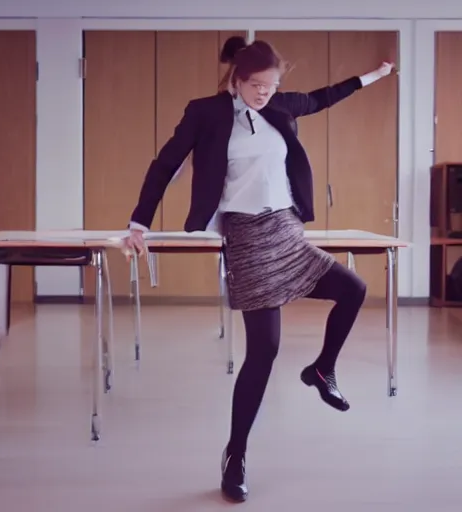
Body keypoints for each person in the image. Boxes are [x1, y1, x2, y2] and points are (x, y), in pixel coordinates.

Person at [124, 35, 395, 503]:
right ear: (236, 77)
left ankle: (322, 370)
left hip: (286, 230)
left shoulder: (281, 107)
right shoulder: (205, 113)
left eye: (271, 85)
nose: (264, 93)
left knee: (353, 289)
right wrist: (138, 223)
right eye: (256, 86)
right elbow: (166, 163)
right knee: (264, 352)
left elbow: (326, 95)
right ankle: (236, 454)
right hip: (246, 237)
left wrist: (376, 75)